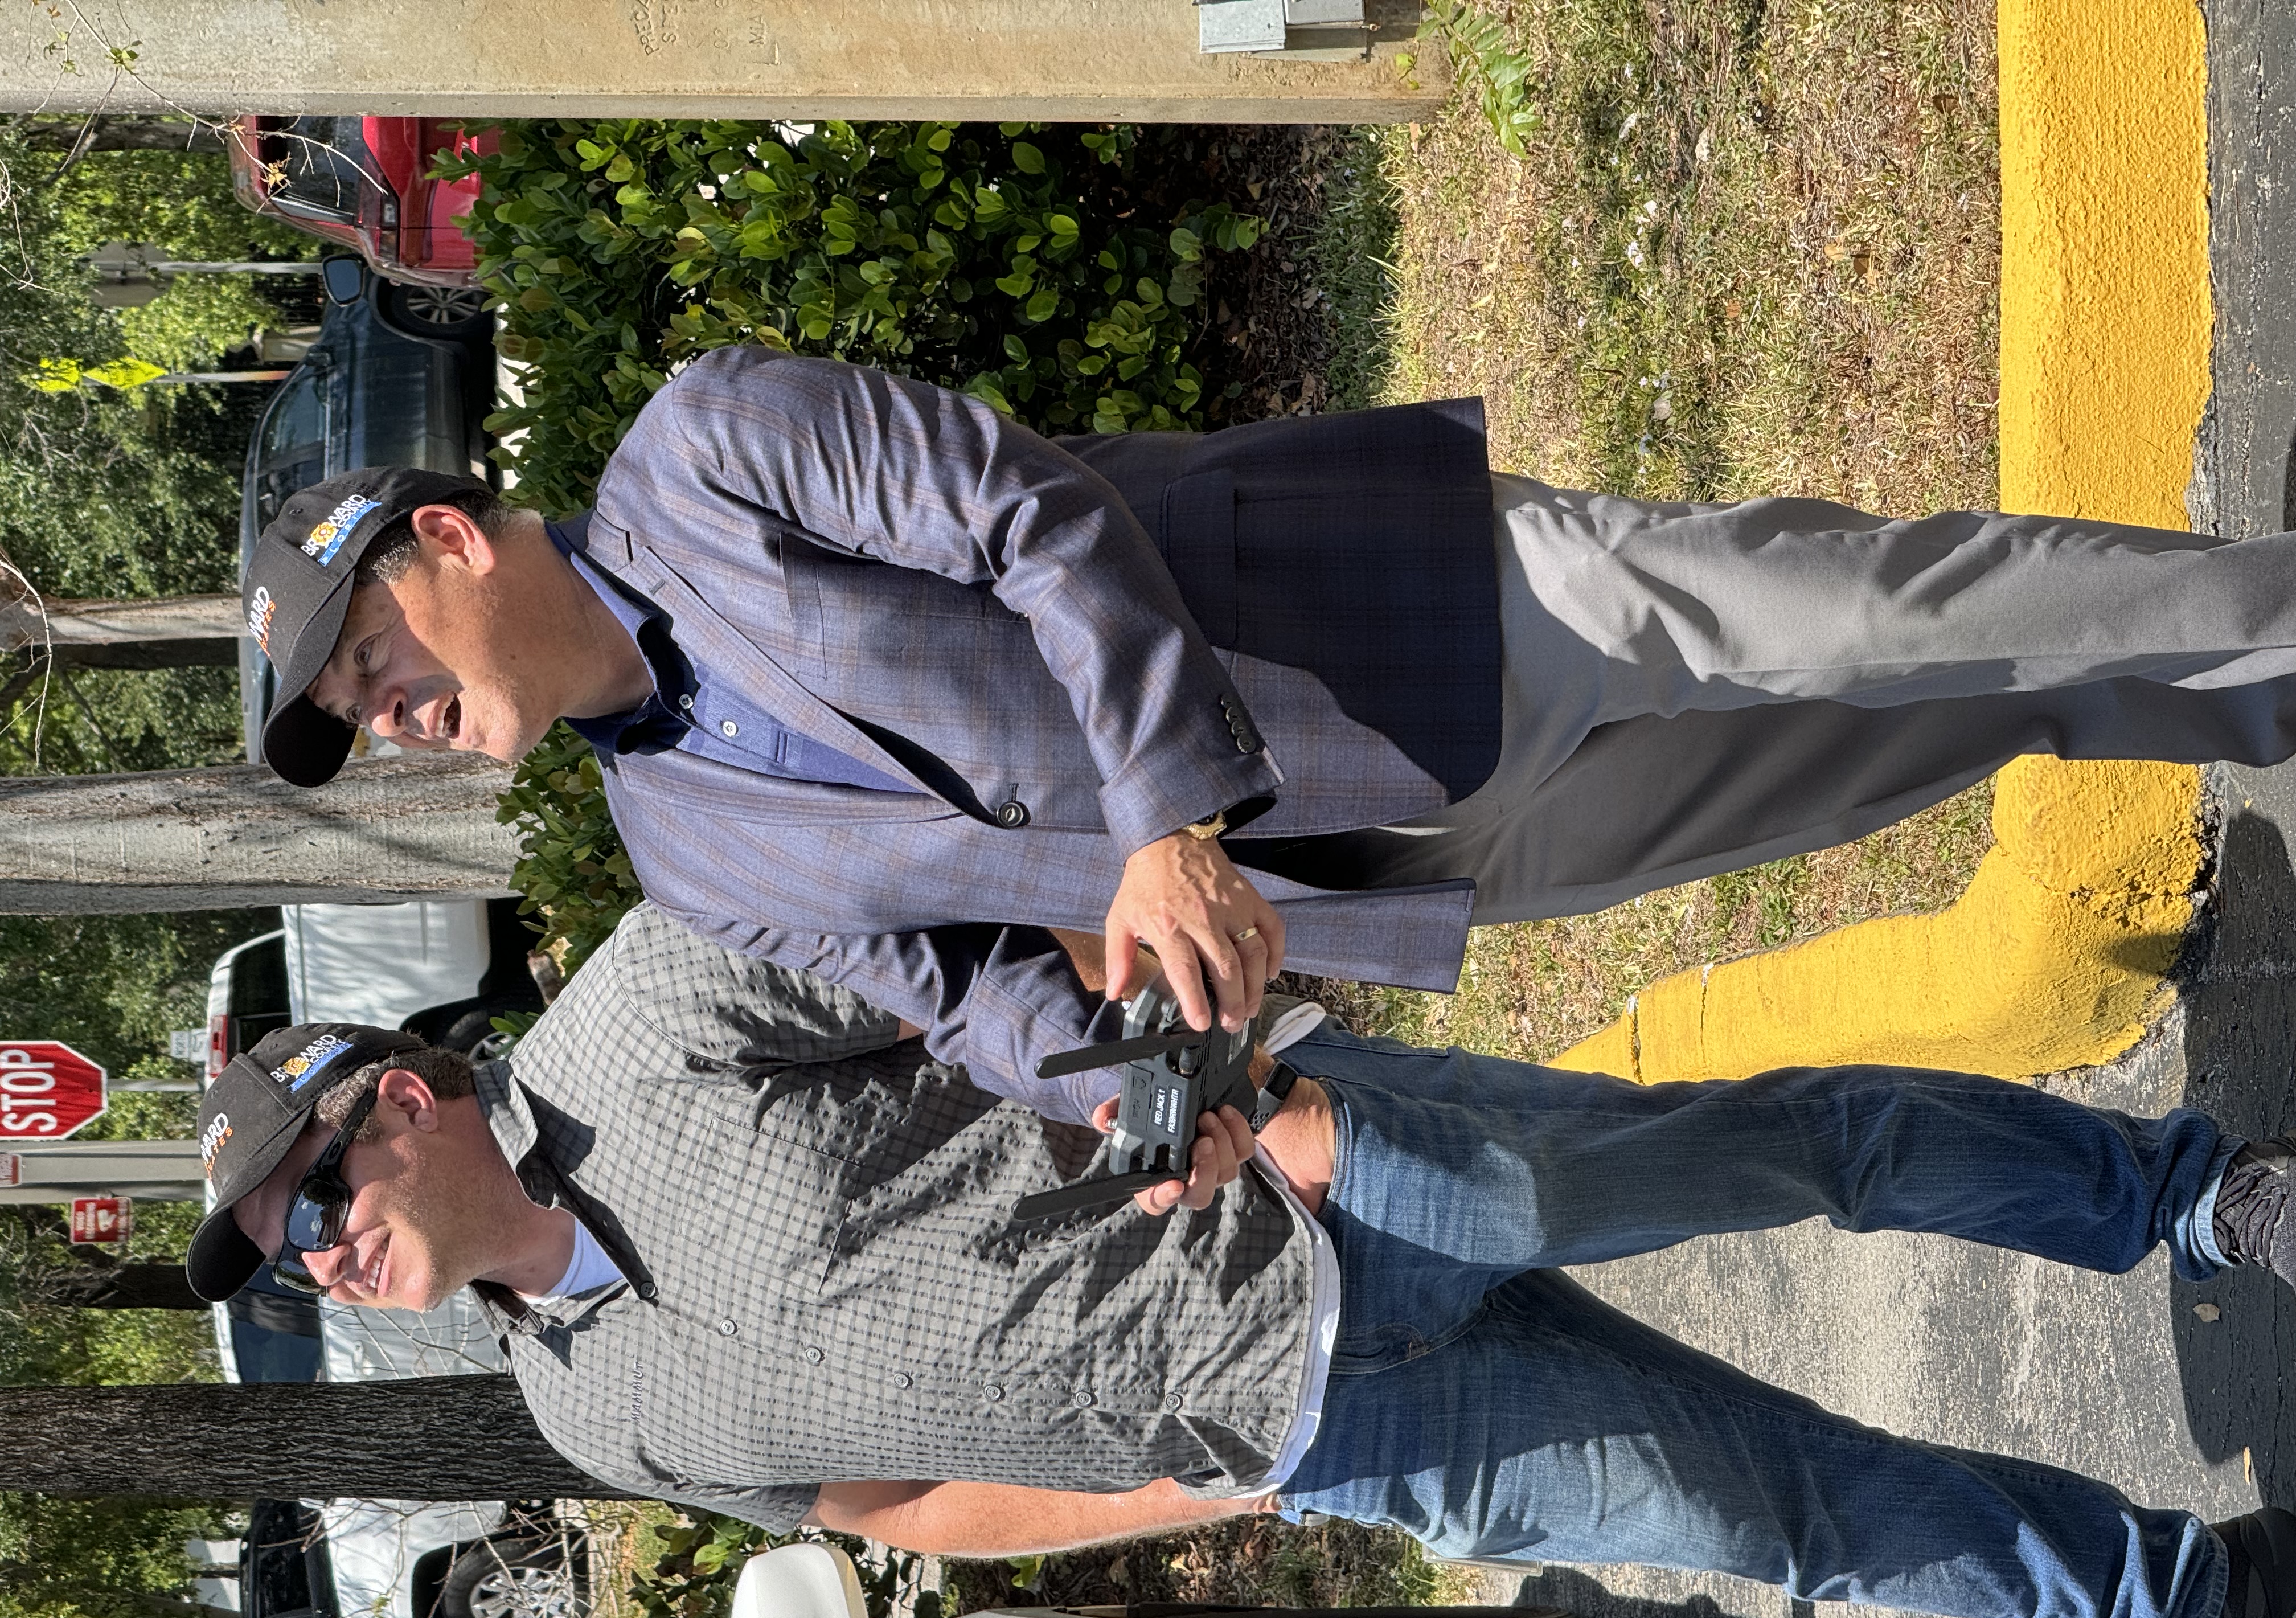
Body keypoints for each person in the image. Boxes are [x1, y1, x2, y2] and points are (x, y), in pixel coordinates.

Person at [190, 906, 2296, 1618]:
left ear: (397, 1096)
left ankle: (2188, 1198)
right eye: (289, 1259)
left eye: (313, 1200)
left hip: (1334, 1181)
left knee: (1785, 1156)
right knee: (1787, 1523)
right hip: (1328, 1429)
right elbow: (905, 1500)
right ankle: (2170, 1606)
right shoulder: (590, 1420)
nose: (318, 1254)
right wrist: (1163, 1488)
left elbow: (982, 948)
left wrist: (1256, 1102)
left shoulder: (643, 1016)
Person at [239, 352, 2296, 1117]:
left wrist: (1156, 822)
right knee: (1900, 747)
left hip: (1420, 625)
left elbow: (1019, 508)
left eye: (369, 660)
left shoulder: (702, 453)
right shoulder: (683, 853)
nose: (394, 717)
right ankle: (2227, 705)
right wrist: (1152, 1093)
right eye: (360, 723)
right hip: (1386, 874)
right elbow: (954, 1001)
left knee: (1885, 610)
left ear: (441, 537)